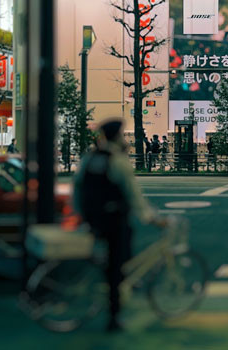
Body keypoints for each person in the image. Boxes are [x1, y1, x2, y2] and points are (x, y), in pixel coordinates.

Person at [73, 119, 167, 332]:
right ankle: (113, 317)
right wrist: (152, 218)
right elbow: (134, 196)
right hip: (114, 218)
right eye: (123, 134)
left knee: (113, 254)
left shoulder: (90, 158)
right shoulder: (117, 161)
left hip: (93, 218)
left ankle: (114, 281)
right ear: (116, 136)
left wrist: (81, 214)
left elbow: (77, 187)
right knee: (116, 264)